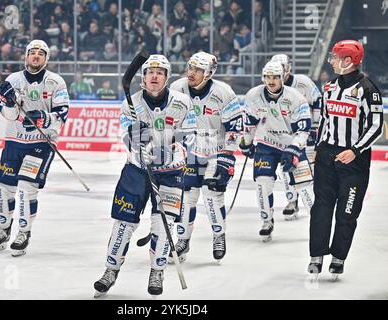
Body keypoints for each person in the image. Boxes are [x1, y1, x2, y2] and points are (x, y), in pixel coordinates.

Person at [93, 54, 193, 297]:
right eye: (150, 72)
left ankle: (157, 271)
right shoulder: (131, 103)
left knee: (164, 224)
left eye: (160, 72)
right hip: (136, 171)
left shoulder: (182, 102)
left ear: (167, 78)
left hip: (170, 174)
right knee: (123, 224)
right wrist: (137, 140)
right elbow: (127, 137)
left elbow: (190, 136)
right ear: (143, 77)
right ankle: (110, 270)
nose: (155, 76)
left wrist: (170, 153)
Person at [0, 40, 69, 257]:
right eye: (32, 52)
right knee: (4, 186)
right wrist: (8, 101)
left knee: (25, 187)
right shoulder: (12, 80)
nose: (35, 56)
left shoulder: (55, 82)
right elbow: (8, 115)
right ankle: (3, 231)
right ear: (25, 56)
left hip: (41, 143)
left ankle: (23, 232)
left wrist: (42, 118)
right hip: (14, 141)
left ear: (46, 58)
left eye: (40, 53)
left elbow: (62, 116)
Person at [308, 40, 383, 277]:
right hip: (327, 157)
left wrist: (355, 150)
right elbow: (326, 121)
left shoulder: (368, 89)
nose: (331, 61)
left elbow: (377, 126)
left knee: (347, 212)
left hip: (354, 161)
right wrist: (319, 146)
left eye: (335, 57)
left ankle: (338, 257)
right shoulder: (329, 87)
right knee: (321, 208)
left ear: (348, 61)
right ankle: (316, 255)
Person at [170, 52, 243, 262]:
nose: (191, 73)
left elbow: (235, 127)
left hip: (216, 151)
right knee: (186, 196)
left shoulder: (223, 92)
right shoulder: (177, 88)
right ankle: (183, 239)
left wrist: (227, 157)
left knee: (212, 195)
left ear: (209, 73)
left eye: (198, 70)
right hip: (190, 152)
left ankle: (219, 234)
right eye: (190, 68)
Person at [240, 61, 315, 242]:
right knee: (262, 183)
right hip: (267, 144)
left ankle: (318, 221)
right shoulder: (253, 96)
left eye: (275, 77)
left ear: (282, 78)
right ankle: (267, 221)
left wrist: (295, 148)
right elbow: (250, 124)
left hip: (292, 145)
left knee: (304, 187)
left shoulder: (296, 97)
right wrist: (247, 143)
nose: (271, 81)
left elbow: (303, 130)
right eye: (267, 77)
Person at [270, 54, 322, 220]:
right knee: (287, 167)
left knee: (308, 169)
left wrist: (315, 126)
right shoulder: (270, 86)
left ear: (288, 68)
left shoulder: (303, 82)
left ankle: (314, 201)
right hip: (285, 136)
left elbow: (317, 102)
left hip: (306, 132)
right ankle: (292, 201)